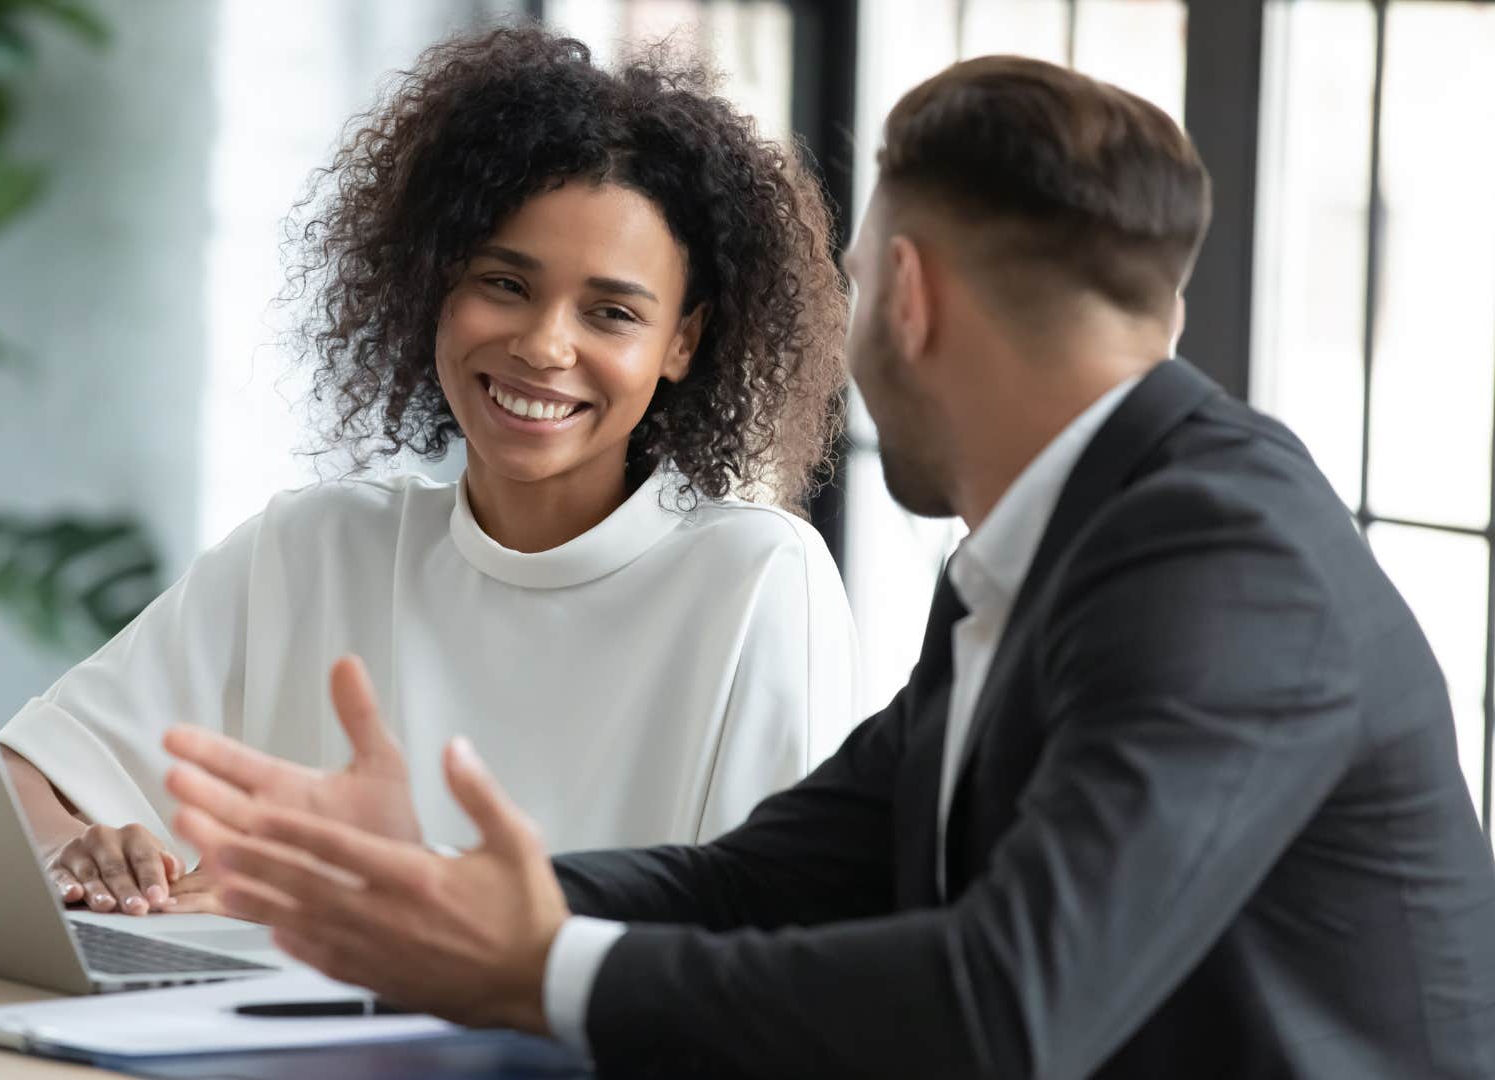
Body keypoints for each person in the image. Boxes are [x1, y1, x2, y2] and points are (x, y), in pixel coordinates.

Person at [161, 55, 1495, 1077]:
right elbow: (764, 879)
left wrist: (543, 971)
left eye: (853, 286)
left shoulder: (1223, 563)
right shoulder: (1039, 554)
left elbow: (1006, 1006)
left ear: (906, 298)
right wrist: (444, 896)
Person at [0, 26, 858, 921]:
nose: (543, 345)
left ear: (682, 340)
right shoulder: (314, 546)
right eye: (505, 284)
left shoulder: (757, 582)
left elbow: (770, 943)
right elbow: (12, 775)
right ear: (436, 284)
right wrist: (73, 848)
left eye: (610, 312)